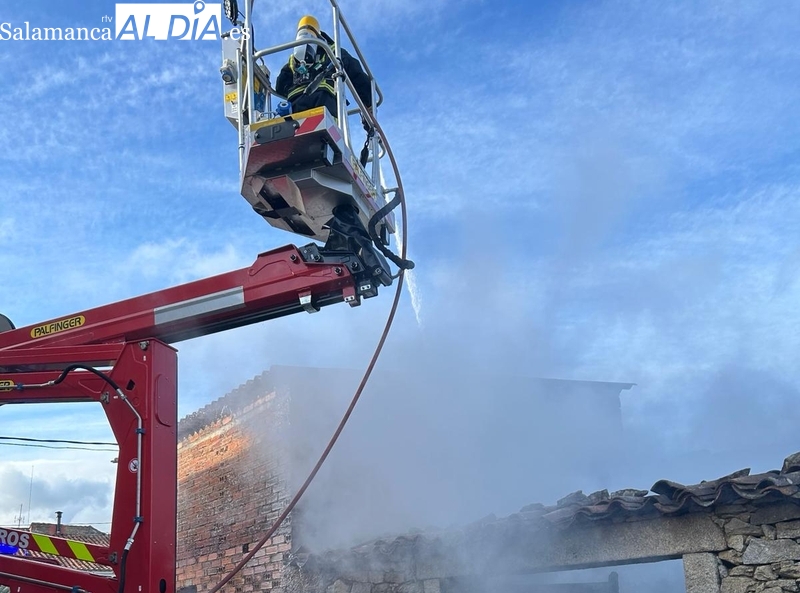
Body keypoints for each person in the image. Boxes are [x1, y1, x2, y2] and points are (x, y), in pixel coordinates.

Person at [275, 15, 373, 118]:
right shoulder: (334, 52)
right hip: (325, 102)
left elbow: (280, 87)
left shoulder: (293, 60)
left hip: (297, 104)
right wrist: (369, 103)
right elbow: (357, 75)